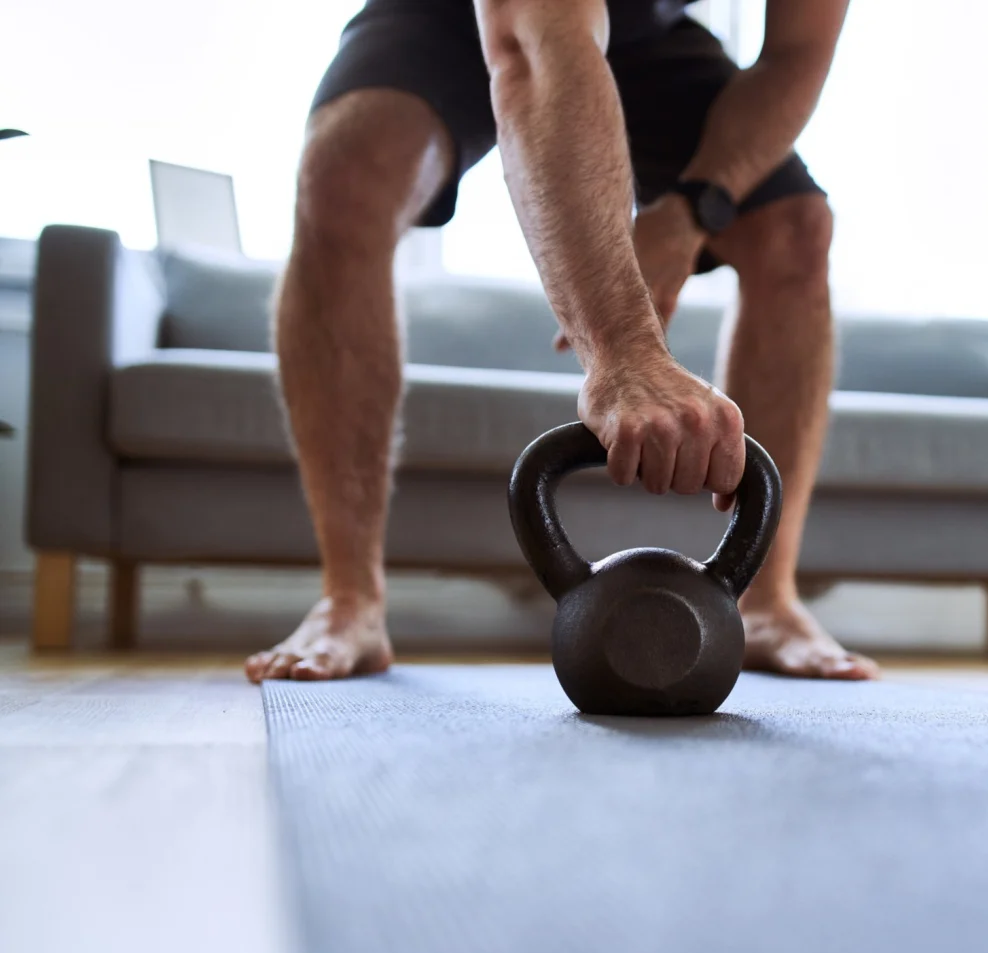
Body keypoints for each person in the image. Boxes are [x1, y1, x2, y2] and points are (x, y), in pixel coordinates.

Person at [243, 0, 880, 684]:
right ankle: (349, 600)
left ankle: (768, 602)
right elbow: (532, 49)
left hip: (644, 26)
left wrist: (693, 210)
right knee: (345, 174)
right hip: (471, 14)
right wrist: (621, 353)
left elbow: (796, 56)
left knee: (792, 228)